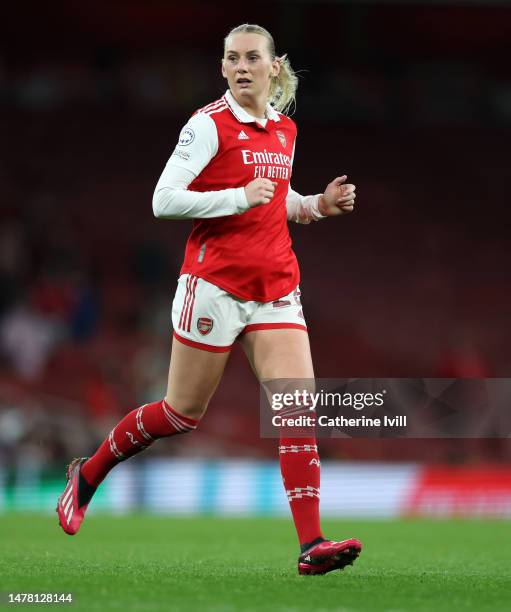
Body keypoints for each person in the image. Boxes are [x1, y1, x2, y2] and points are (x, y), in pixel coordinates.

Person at [56, 23, 361, 576]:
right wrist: (236, 196)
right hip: (214, 287)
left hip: (276, 289)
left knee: (296, 411)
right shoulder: (207, 126)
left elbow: (276, 201)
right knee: (180, 413)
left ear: (273, 68)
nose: (242, 67)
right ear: (223, 69)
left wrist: (317, 203)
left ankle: (310, 545)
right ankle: (88, 474)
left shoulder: (285, 130)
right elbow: (163, 200)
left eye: (252, 58)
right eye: (232, 59)